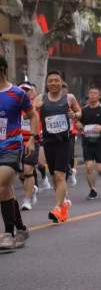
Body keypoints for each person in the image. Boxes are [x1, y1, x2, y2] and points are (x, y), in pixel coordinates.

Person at [0, 56, 37, 249]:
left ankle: (8, 233)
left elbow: (32, 115)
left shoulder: (16, 93)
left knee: (1, 184)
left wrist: (31, 138)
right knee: (6, 189)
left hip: (11, 147)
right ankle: (21, 228)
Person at [34, 70, 81, 223]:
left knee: (60, 175)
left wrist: (75, 115)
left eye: (56, 80)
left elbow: (79, 111)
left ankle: (57, 208)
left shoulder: (69, 98)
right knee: (54, 177)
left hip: (64, 141)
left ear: (61, 83)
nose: (53, 83)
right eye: (50, 81)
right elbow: (31, 114)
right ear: (47, 84)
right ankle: (64, 203)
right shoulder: (41, 98)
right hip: (48, 142)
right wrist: (37, 108)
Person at [78, 86, 101, 200]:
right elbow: (79, 123)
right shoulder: (84, 110)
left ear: (99, 96)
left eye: (95, 93)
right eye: (91, 93)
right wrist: (79, 126)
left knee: (100, 169)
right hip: (87, 142)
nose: (92, 95)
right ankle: (92, 190)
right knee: (89, 167)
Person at [18, 82, 40, 211]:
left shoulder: (35, 107)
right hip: (15, 143)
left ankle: (27, 200)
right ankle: (32, 188)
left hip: (31, 141)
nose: (26, 92)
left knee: (27, 170)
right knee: (20, 174)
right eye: (23, 90)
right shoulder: (13, 106)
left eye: (28, 90)